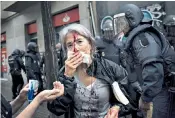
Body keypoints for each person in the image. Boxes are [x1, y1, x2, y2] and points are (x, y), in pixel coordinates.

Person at [47, 23, 133, 118]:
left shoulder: (110, 68)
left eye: (79, 41)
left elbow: (130, 98)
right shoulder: (64, 73)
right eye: (70, 45)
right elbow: (56, 109)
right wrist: (67, 78)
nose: (76, 49)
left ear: (90, 44)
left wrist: (117, 108)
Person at [114, 4, 175, 118]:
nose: (120, 26)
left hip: (161, 91)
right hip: (158, 90)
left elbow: (153, 70)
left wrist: (146, 97)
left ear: (132, 19)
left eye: (122, 22)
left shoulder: (142, 37)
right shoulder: (140, 36)